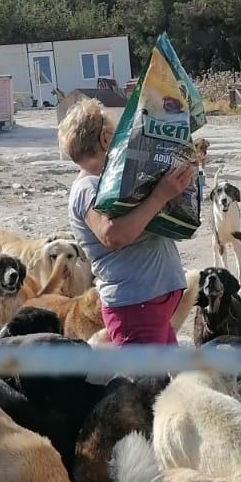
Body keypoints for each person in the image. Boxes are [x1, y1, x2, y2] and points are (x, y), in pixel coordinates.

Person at [61, 97, 195, 346]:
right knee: (146, 383)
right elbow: (113, 235)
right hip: (136, 304)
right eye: (117, 135)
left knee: (165, 383)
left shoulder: (109, 182)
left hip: (148, 303)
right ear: (104, 139)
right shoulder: (86, 187)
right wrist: (160, 195)